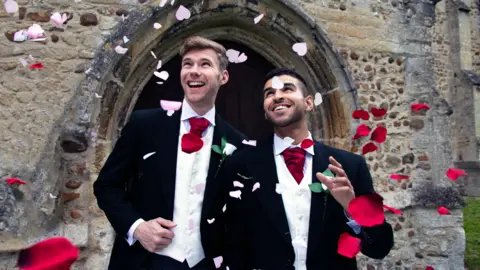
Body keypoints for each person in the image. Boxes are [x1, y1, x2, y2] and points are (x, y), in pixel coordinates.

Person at [93, 36, 248, 270]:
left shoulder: (237, 143)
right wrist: (137, 227)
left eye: (205, 64)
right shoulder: (144, 125)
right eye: (188, 64)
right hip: (144, 261)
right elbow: (106, 186)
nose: (193, 71)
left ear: (223, 76)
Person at [222, 68, 394, 270]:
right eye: (270, 94)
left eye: (287, 89)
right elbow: (232, 242)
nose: (277, 96)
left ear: (309, 103)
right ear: (265, 110)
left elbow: (379, 247)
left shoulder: (350, 166)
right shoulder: (241, 166)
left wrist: (352, 208)